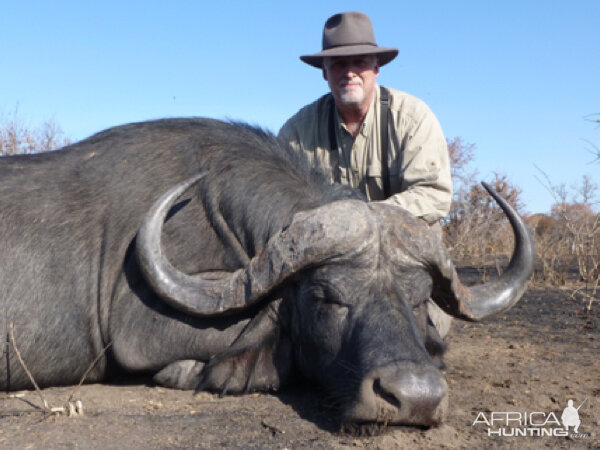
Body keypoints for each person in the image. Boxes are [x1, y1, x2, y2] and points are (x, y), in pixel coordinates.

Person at [278, 11, 453, 338]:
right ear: (325, 73)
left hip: (403, 262)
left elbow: (433, 194)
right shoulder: (296, 131)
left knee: (426, 335)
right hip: (335, 272)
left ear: (376, 67)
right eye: (338, 64)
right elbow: (276, 205)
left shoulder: (412, 117)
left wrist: (358, 222)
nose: (349, 73)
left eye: (359, 62)